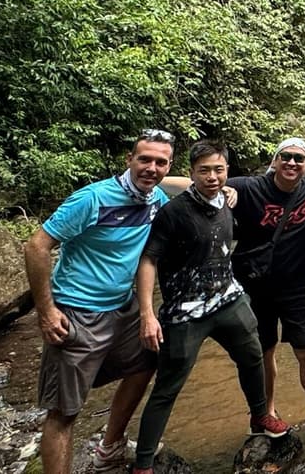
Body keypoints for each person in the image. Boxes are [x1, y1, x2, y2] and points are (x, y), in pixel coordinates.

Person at [131, 141, 290, 474]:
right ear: (191, 173)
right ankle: (144, 463)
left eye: (219, 169)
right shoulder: (173, 212)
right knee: (168, 387)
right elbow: (148, 259)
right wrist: (147, 313)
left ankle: (260, 416)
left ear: (227, 172)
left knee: (253, 355)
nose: (212, 176)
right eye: (204, 170)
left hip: (228, 299)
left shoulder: (227, 199)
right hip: (185, 311)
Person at [23, 129, 175, 474]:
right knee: (64, 411)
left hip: (123, 309)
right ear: (129, 160)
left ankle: (110, 447)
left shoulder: (155, 200)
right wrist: (46, 311)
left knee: (145, 364)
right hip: (77, 312)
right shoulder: (92, 199)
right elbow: (36, 246)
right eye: (144, 159)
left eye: (160, 162)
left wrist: (225, 188)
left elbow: (181, 185)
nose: (151, 167)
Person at [225, 137, 305, 440]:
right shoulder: (247, 187)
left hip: (298, 287)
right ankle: (266, 413)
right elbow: (198, 180)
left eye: (299, 159)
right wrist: (220, 189)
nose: (292, 162)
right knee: (262, 351)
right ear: (275, 161)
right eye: (286, 157)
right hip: (254, 285)